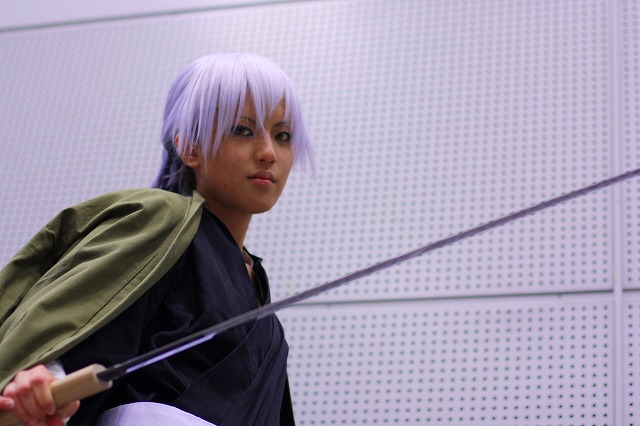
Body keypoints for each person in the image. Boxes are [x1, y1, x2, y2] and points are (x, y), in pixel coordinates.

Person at [0, 52, 313, 425]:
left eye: (283, 136)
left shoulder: (260, 299)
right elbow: (73, 333)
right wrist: (39, 380)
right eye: (242, 130)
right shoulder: (162, 220)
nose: (268, 153)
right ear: (190, 146)